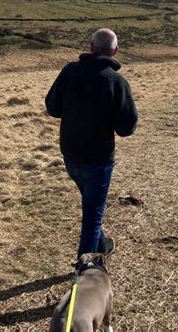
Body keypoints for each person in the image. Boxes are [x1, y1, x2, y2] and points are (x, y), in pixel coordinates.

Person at [45, 28, 138, 260]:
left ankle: (103, 243)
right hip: (98, 159)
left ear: (91, 47)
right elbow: (127, 128)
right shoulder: (116, 82)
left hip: (70, 155)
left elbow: (52, 107)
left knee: (91, 206)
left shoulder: (69, 72)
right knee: (92, 215)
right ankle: (85, 270)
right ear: (115, 51)